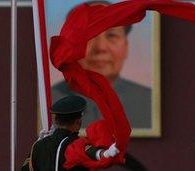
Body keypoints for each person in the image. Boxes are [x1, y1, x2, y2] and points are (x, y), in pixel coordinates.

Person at [52, 0, 151, 130]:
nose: (101, 48)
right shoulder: (51, 98)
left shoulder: (146, 99)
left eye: (112, 35)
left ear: (126, 46)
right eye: (90, 36)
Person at [22, 96, 119, 171]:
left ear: (55, 120)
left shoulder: (38, 146)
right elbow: (89, 152)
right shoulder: (76, 144)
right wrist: (105, 153)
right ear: (78, 121)